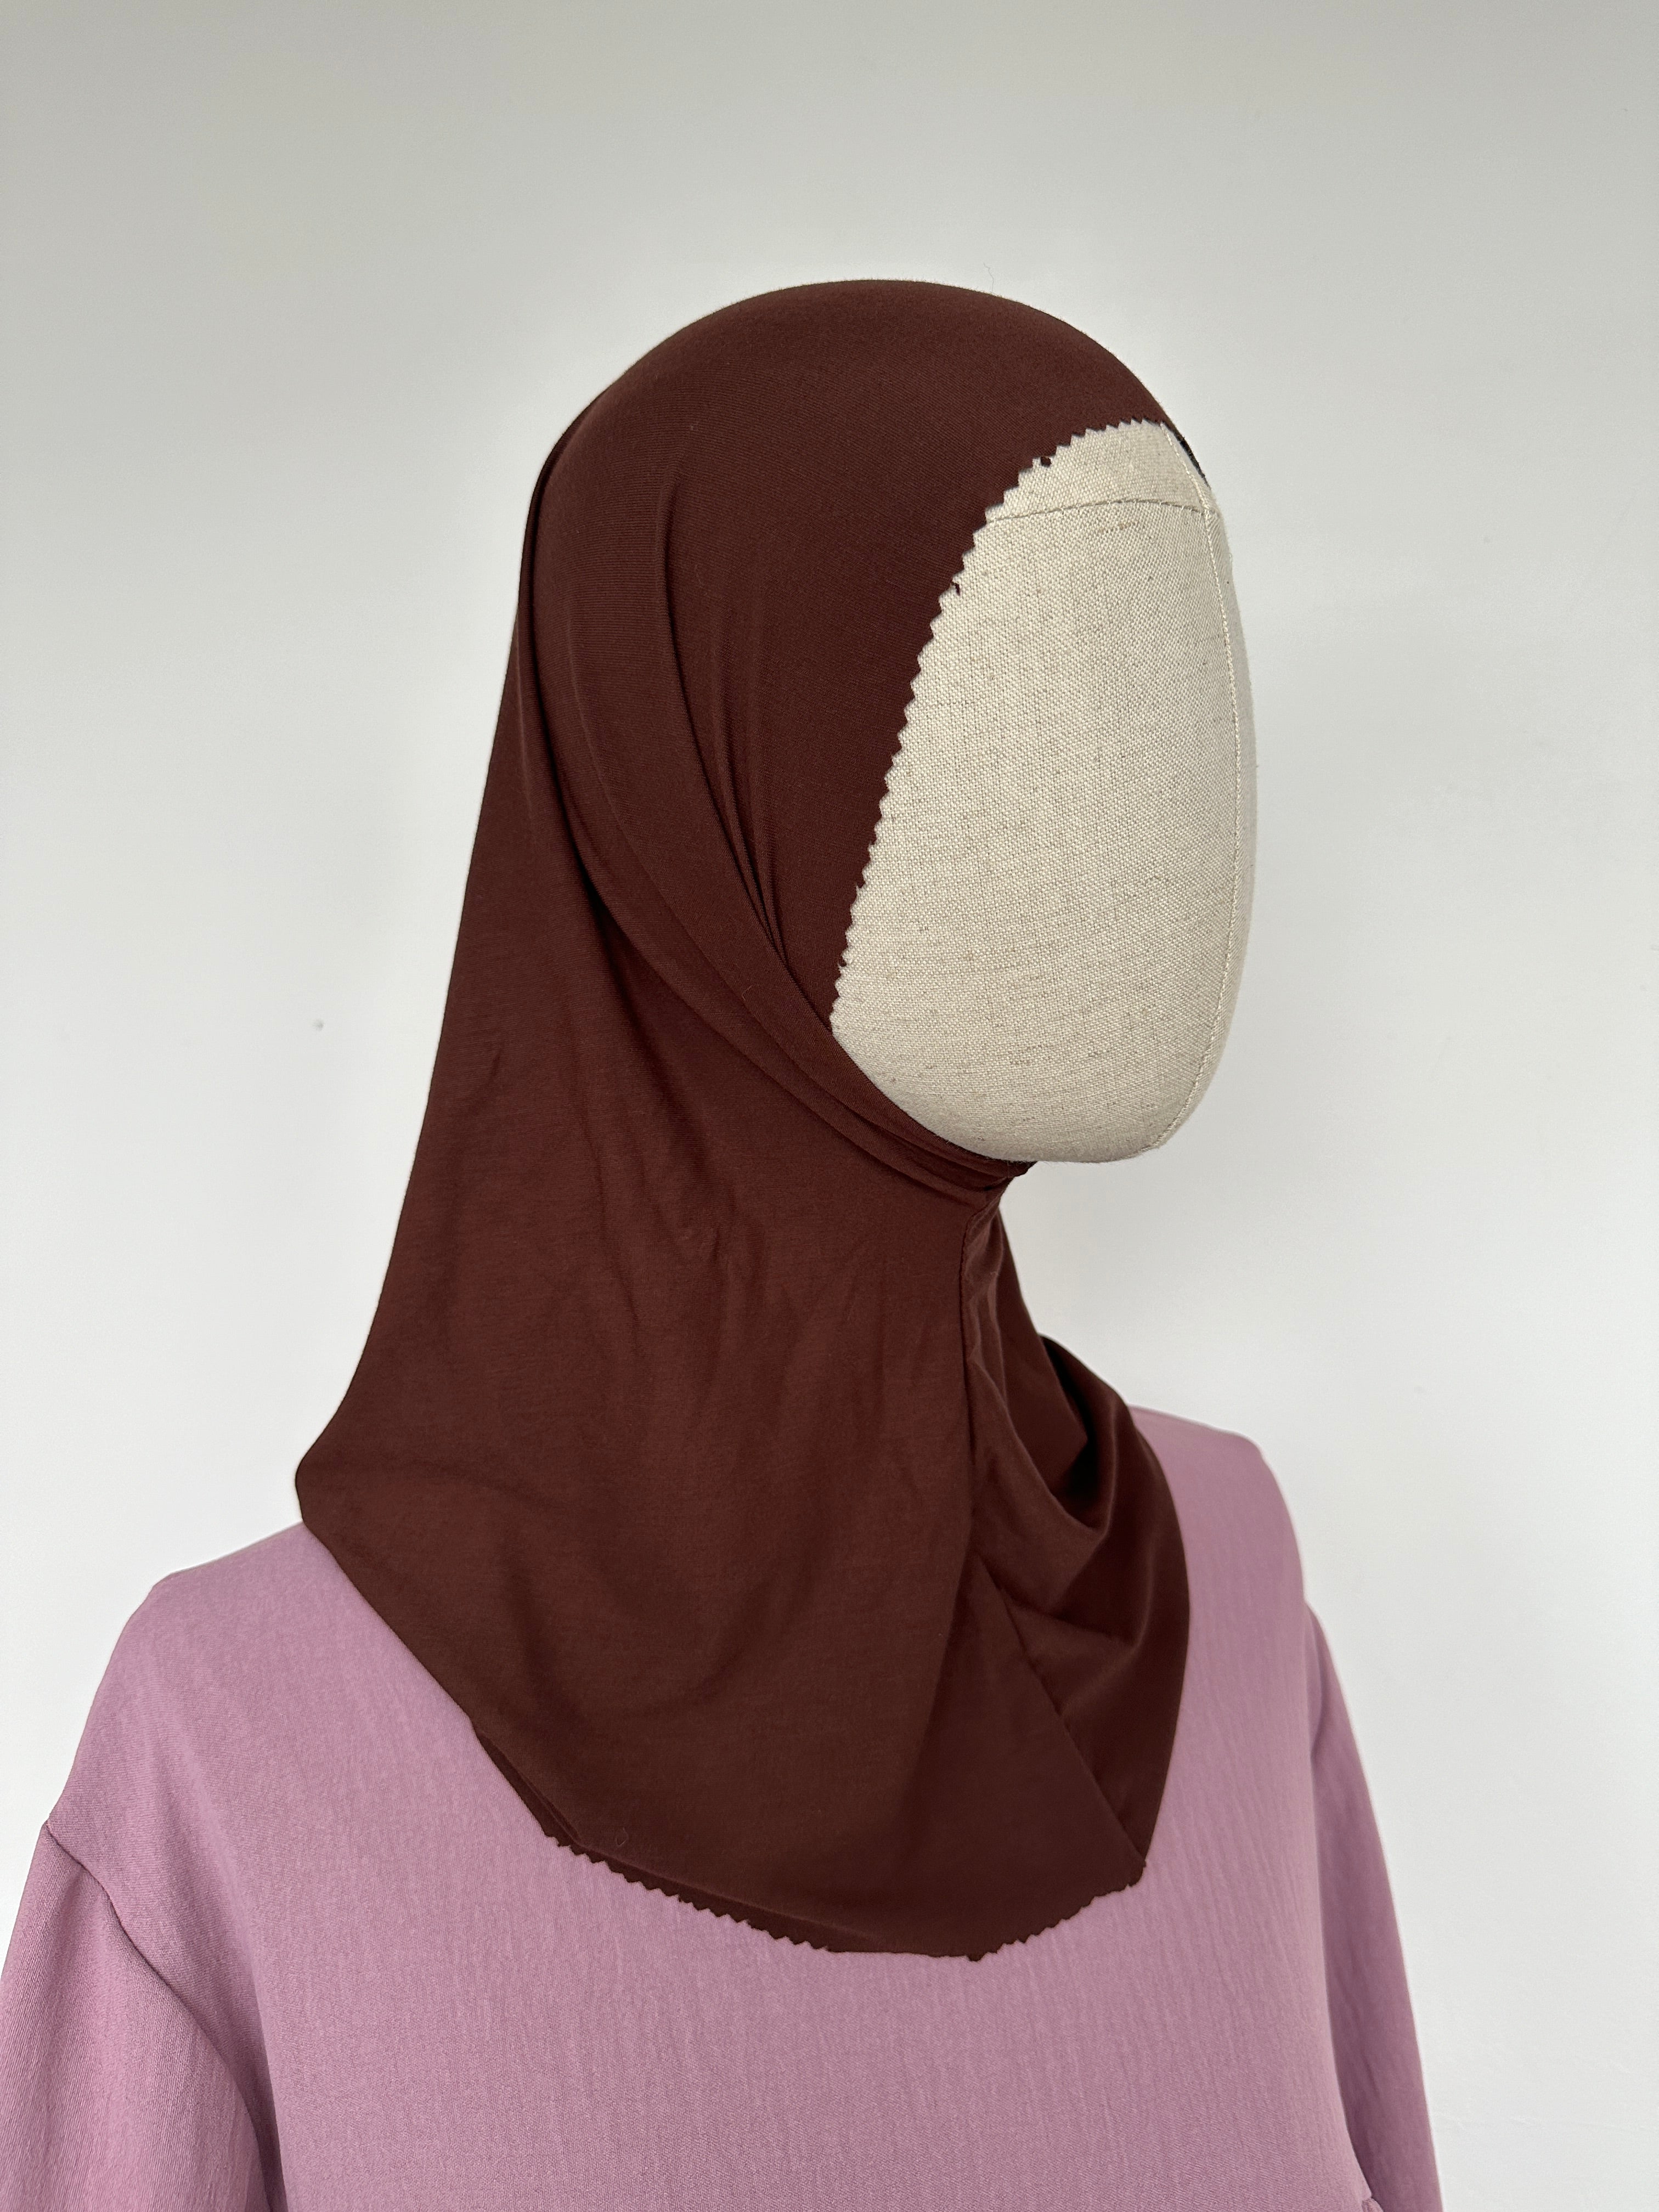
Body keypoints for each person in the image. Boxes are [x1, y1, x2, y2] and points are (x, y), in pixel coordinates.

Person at [0, 280, 1441, 2211]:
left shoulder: (1237, 1598)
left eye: (1178, 686)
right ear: (688, 799)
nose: (1165, 834)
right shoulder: (239, 1749)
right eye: (1018, 695)